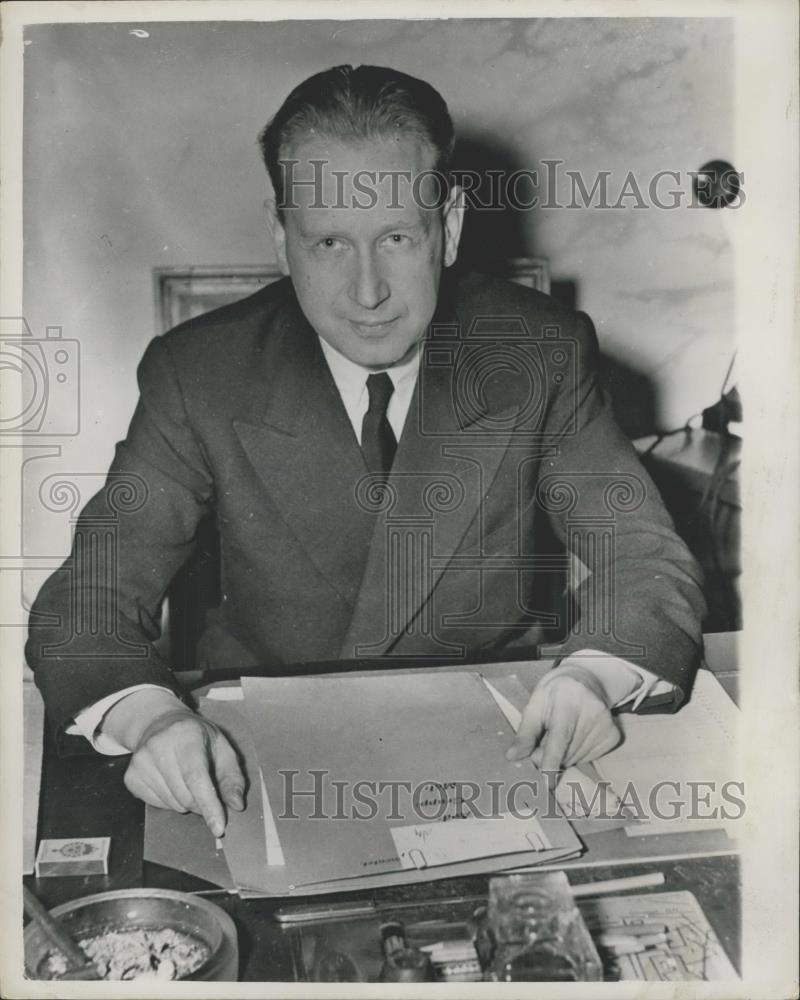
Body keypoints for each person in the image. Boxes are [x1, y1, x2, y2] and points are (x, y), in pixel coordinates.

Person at [27, 65, 705, 839]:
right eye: (328, 244)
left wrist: (594, 674)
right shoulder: (201, 374)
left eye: (395, 238)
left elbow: (645, 560)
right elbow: (85, 600)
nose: (367, 290)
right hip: (260, 762)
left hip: (495, 750)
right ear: (280, 238)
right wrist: (151, 721)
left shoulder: (535, 352)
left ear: (447, 228)